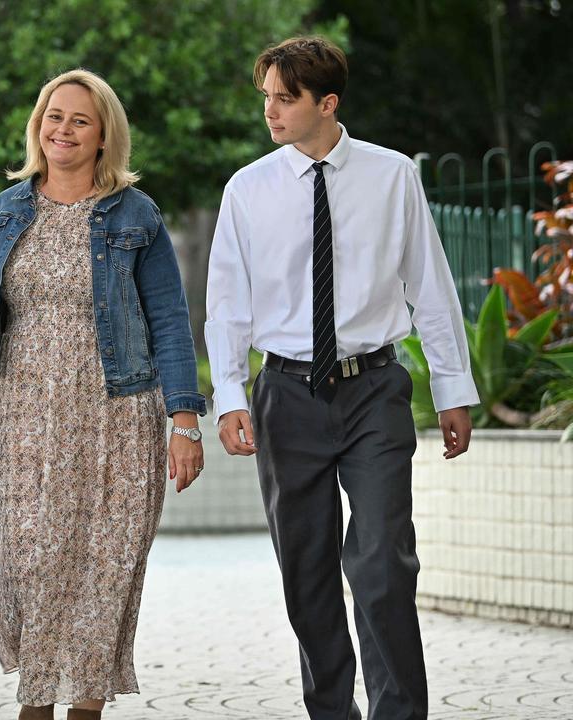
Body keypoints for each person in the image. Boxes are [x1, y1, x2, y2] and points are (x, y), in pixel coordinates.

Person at [205, 36, 479, 720]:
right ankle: (331, 710)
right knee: (308, 572)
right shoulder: (248, 189)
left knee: (383, 562)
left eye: (284, 99)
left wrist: (452, 389)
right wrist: (231, 396)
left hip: (374, 390)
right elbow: (227, 305)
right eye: (265, 96)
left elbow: (431, 288)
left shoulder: (392, 177)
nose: (270, 111)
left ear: (327, 103)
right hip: (285, 395)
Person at [0, 69, 206, 720]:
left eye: (80, 120)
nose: (63, 129)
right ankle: (36, 701)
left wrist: (185, 419)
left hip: (116, 415)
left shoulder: (134, 216)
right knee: (32, 558)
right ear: (38, 125)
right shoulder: (7, 211)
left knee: (101, 568)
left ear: (105, 134)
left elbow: (169, 318)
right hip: (26, 414)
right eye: (54, 116)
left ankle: (81, 706)